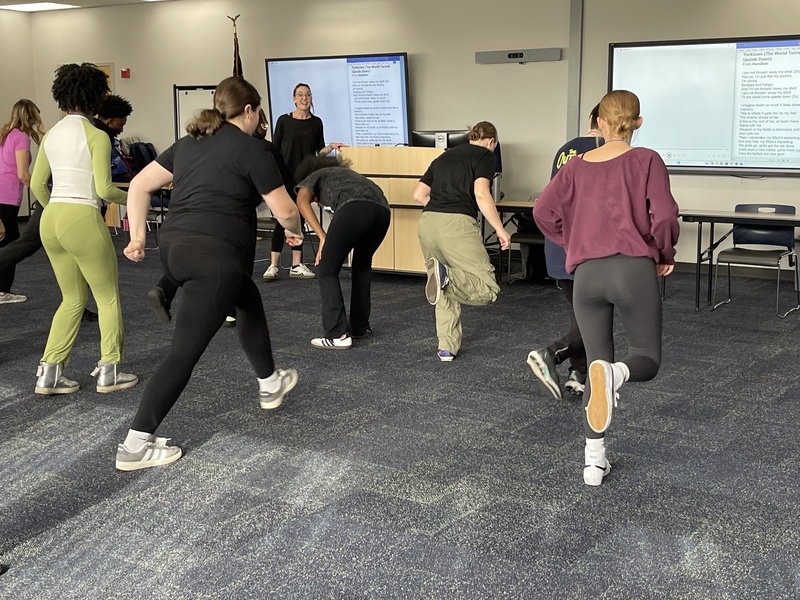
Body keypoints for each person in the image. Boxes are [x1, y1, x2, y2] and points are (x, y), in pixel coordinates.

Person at [119, 76, 303, 471]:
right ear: (249, 111)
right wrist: (295, 230)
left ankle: (270, 382)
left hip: (174, 252)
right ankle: (134, 446)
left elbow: (138, 186)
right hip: (213, 260)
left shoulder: (189, 143)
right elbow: (286, 210)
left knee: (247, 298)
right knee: (182, 354)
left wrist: (137, 237)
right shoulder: (254, 150)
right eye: (258, 113)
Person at [533, 90, 680, 486]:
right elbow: (665, 215)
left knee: (595, 362)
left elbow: (542, 211)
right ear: (638, 122)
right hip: (632, 270)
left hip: (587, 275)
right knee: (645, 359)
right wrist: (664, 252)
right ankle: (616, 375)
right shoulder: (647, 159)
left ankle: (594, 463)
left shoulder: (575, 166)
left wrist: (573, 242)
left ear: (599, 123)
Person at [30, 63, 137, 395]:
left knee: (72, 299)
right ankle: (110, 371)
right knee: (107, 297)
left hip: (52, 219)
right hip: (82, 217)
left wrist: (57, 211)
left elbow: (37, 185)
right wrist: (137, 196)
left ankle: (49, 374)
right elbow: (105, 190)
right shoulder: (96, 135)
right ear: (96, 97)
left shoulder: (50, 134)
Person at [413, 121, 510, 361]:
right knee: (487, 288)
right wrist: (500, 229)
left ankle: (447, 346)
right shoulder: (485, 155)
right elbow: (481, 194)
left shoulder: (443, 157)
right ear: (491, 141)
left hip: (428, 222)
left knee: (443, 286)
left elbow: (418, 194)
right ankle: (445, 275)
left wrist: (440, 208)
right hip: (456, 225)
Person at [527, 103, 604, 399]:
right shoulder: (604, 151)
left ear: (590, 119)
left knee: (582, 314)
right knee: (595, 317)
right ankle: (550, 354)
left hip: (559, 245)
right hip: (586, 248)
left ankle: (578, 373)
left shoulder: (565, 149)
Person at [295, 155, 391, 349]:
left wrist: (322, 236)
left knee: (326, 269)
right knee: (362, 266)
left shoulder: (314, 176)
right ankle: (359, 327)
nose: (318, 204)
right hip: (383, 211)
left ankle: (337, 334)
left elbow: (301, 201)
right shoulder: (348, 176)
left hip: (354, 208)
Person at [262, 82, 345, 282]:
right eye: (300, 95)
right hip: (284, 176)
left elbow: (318, 151)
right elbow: (274, 149)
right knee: (282, 219)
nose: (304, 98)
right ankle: (273, 265)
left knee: (299, 219)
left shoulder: (316, 122)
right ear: (294, 98)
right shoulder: (284, 120)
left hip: (305, 178)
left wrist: (331, 147)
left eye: (307, 94)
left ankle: (296, 264)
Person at [0, 99, 44, 304]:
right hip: (7, 198)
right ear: (31, 116)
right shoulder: (21, 137)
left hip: (5, 197)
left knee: (8, 243)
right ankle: (2, 292)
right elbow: (23, 174)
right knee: (11, 245)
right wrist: (43, 193)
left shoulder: (5, 134)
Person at [91, 94, 134, 183]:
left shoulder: (93, 129)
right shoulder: (102, 137)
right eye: (121, 125)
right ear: (110, 121)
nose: (122, 130)